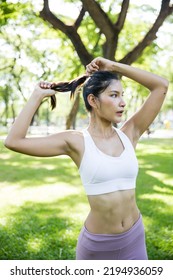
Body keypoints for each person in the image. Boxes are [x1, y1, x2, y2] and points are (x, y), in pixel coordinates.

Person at [4, 57, 169, 260]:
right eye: (114, 95)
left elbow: (160, 85)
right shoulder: (76, 141)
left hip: (134, 239)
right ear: (93, 100)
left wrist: (113, 66)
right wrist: (37, 96)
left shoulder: (130, 133)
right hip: (98, 247)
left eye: (122, 95)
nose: (123, 102)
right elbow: (14, 141)